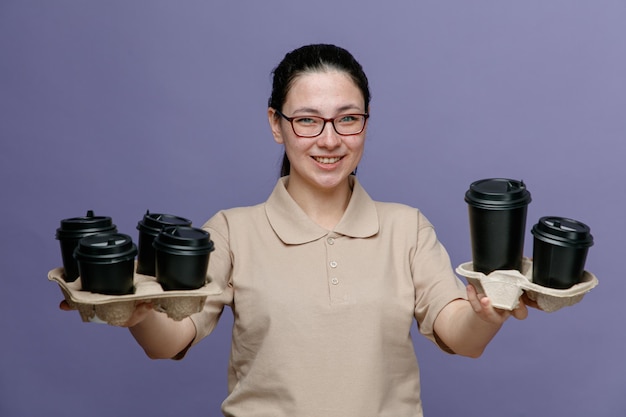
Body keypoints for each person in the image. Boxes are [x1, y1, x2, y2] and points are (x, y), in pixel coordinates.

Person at [62, 43, 533, 416]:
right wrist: (135, 309)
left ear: (367, 122)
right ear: (276, 124)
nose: (330, 139)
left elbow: (462, 339)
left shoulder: (406, 227)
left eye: (348, 119)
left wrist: (486, 314)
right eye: (307, 120)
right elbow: (171, 342)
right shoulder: (231, 231)